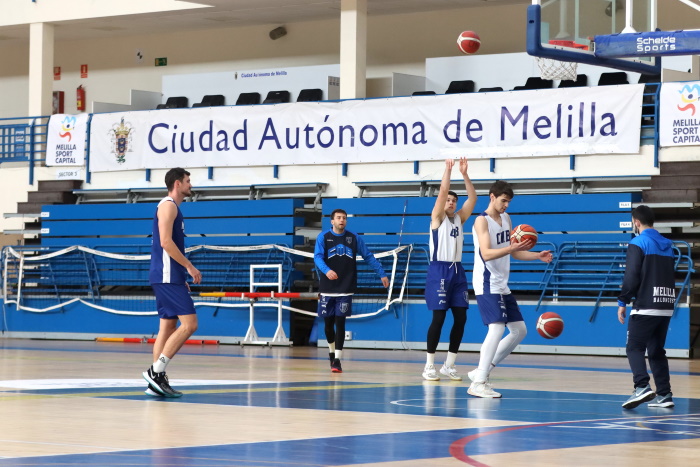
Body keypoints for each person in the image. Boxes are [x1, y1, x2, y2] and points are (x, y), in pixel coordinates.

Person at [467, 180, 552, 398]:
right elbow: (486, 253)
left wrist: (536, 256)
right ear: (492, 197)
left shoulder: (506, 219)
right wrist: (511, 247)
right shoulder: (481, 221)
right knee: (496, 328)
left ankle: (480, 371)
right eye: (503, 201)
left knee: (519, 330)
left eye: (509, 202)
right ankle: (478, 382)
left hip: (501, 283)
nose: (506, 205)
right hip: (486, 282)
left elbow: (513, 253)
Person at [143, 167, 202, 397]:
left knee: (167, 327)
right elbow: (166, 242)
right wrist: (188, 266)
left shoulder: (174, 207)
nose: (191, 185)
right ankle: (156, 372)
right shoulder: (167, 205)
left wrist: (180, 276)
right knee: (190, 325)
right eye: (188, 181)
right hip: (166, 275)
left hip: (169, 275)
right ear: (177, 183)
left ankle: (155, 384)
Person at [422, 158, 477, 382]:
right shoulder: (437, 218)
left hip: (458, 271)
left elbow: (473, 199)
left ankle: (449, 365)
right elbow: (443, 190)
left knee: (461, 317)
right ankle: (428, 366)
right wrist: (448, 170)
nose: (452, 202)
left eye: (455, 200)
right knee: (439, 318)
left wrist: (465, 174)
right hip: (439, 270)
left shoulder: (459, 220)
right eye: (449, 200)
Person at [314, 208, 389, 373]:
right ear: (332, 221)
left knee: (340, 323)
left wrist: (381, 273)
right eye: (339, 218)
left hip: (345, 288)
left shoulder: (354, 238)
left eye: (344, 218)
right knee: (328, 325)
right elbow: (317, 257)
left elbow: (368, 256)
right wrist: (326, 270)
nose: (342, 220)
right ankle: (331, 352)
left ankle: (337, 360)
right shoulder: (323, 237)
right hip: (327, 288)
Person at [618, 205, 676, 409]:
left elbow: (632, 275)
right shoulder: (668, 245)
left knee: (634, 347)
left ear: (636, 222)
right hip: (666, 304)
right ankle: (664, 394)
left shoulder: (638, 242)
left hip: (646, 305)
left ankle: (641, 386)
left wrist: (623, 300)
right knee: (656, 350)